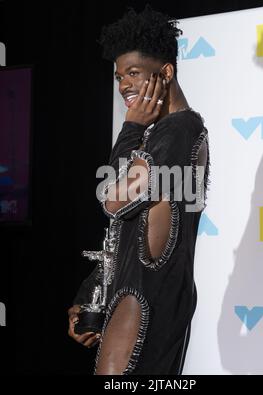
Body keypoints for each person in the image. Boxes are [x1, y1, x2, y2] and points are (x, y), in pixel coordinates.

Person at [68, 5, 210, 375]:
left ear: (166, 73)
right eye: (118, 77)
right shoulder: (158, 133)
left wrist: (129, 129)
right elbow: (124, 232)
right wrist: (90, 295)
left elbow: (114, 200)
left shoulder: (180, 130)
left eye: (133, 73)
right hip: (132, 293)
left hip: (146, 299)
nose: (124, 85)